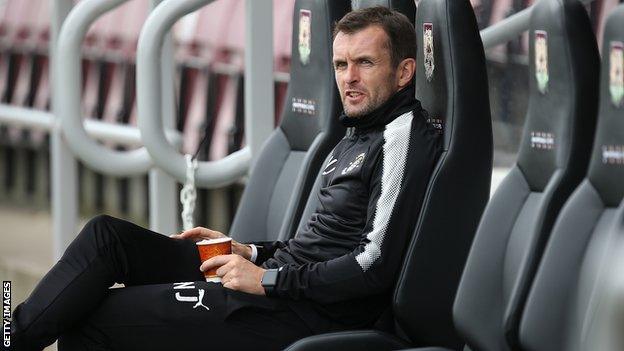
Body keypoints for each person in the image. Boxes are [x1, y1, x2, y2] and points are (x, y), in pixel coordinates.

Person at [11, 6, 441, 350]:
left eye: (365, 63)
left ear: (404, 73)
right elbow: (315, 244)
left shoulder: (401, 138)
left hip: (298, 311)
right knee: (107, 237)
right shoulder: (355, 132)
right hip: (276, 280)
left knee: (92, 320)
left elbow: (372, 266)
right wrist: (249, 251)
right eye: (341, 64)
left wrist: (267, 280)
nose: (349, 78)